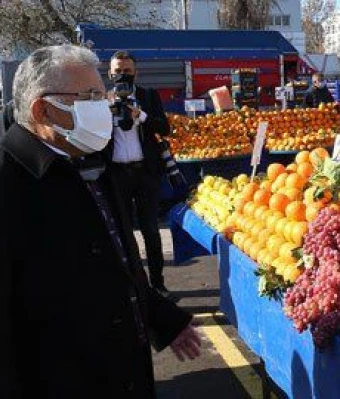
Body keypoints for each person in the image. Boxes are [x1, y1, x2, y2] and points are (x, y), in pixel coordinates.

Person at [0, 44, 200, 398]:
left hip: (125, 372)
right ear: (43, 109)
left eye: (101, 94)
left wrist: (163, 319)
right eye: (90, 96)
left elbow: (116, 261)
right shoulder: (11, 183)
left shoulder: (90, 161)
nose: (103, 105)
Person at [104, 51, 172, 296]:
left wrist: (140, 115)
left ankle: (158, 283)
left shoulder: (148, 96)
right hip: (117, 175)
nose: (122, 75)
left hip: (145, 173)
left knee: (151, 230)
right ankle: (134, 283)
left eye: (127, 71)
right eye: (118, 71)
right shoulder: (101, 100)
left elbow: (165, 128)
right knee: (123, 232)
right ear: (110, 73)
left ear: (136, 72)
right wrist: (105, 114)